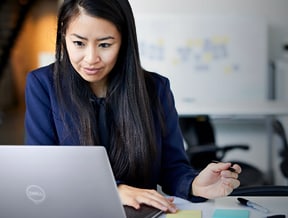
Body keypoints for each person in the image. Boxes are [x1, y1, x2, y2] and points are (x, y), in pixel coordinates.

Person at [24, 0, 241, 213]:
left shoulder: (156, 89)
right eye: (79, 43)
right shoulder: (43, 85)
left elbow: (172, 168)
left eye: (105, 44)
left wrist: (194, 184)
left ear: (124, 41)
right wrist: (113, 190)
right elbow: (42, 173)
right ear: (64, 36)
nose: (91, 59)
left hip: (140, 213)